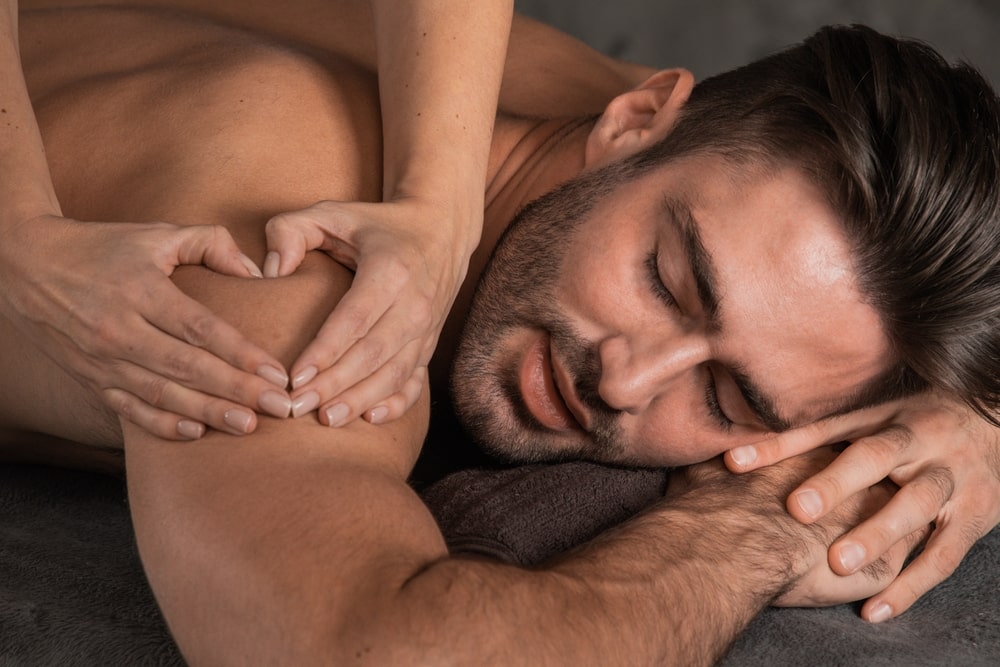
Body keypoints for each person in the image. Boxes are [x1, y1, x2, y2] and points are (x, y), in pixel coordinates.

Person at [2, 2, 999, 663]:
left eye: (730, 401)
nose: (627, 380)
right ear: (636, 120)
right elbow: (367, 652)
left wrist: (979, 416)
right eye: (670, 278)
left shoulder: (704, 148)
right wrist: (759, 523)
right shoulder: (291, 248)